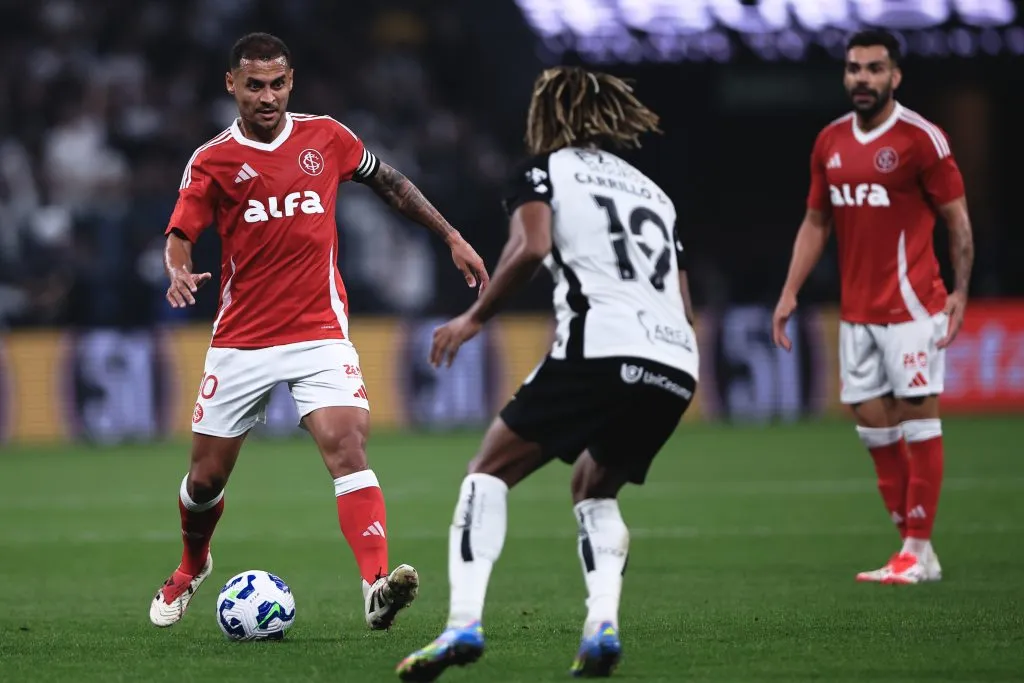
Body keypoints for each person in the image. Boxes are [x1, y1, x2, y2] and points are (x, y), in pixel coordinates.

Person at [148, 33, 489, 632]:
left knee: (347, 447)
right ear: (232, 85)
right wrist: (177, 270)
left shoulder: (327, 137)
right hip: (242, 340)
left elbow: (392, 183)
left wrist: (451, 236)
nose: (268, 96)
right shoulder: (213, 159)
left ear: (291, 81)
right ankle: (191, 565)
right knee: (205, 480)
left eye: (277, 84)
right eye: (254, 85)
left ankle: (375, 587)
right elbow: (182, 231)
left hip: (319, 334)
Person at [395, 66, 698, 681]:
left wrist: (475, 318)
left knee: (487, 473)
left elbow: (531, 247)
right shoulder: (654, 194)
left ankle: (462, 625)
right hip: (675, 359)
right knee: (594, 488)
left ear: (548, 115)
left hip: (600, 344)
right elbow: (684, 306)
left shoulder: (544, 171)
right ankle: (602, 626)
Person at [772, 29, 974, 585]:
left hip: (914, 307)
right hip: (856, 313)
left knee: (918, 423)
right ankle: (916, 551)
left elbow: (957, 219)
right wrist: (790, 292)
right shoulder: (830, 142)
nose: (863, 78)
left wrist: (959, 290)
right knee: (872, 430)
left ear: (895, 76)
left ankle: (915, 548)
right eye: (855, 68)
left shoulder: (920, 140)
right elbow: (817, 222)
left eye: (875, 68)